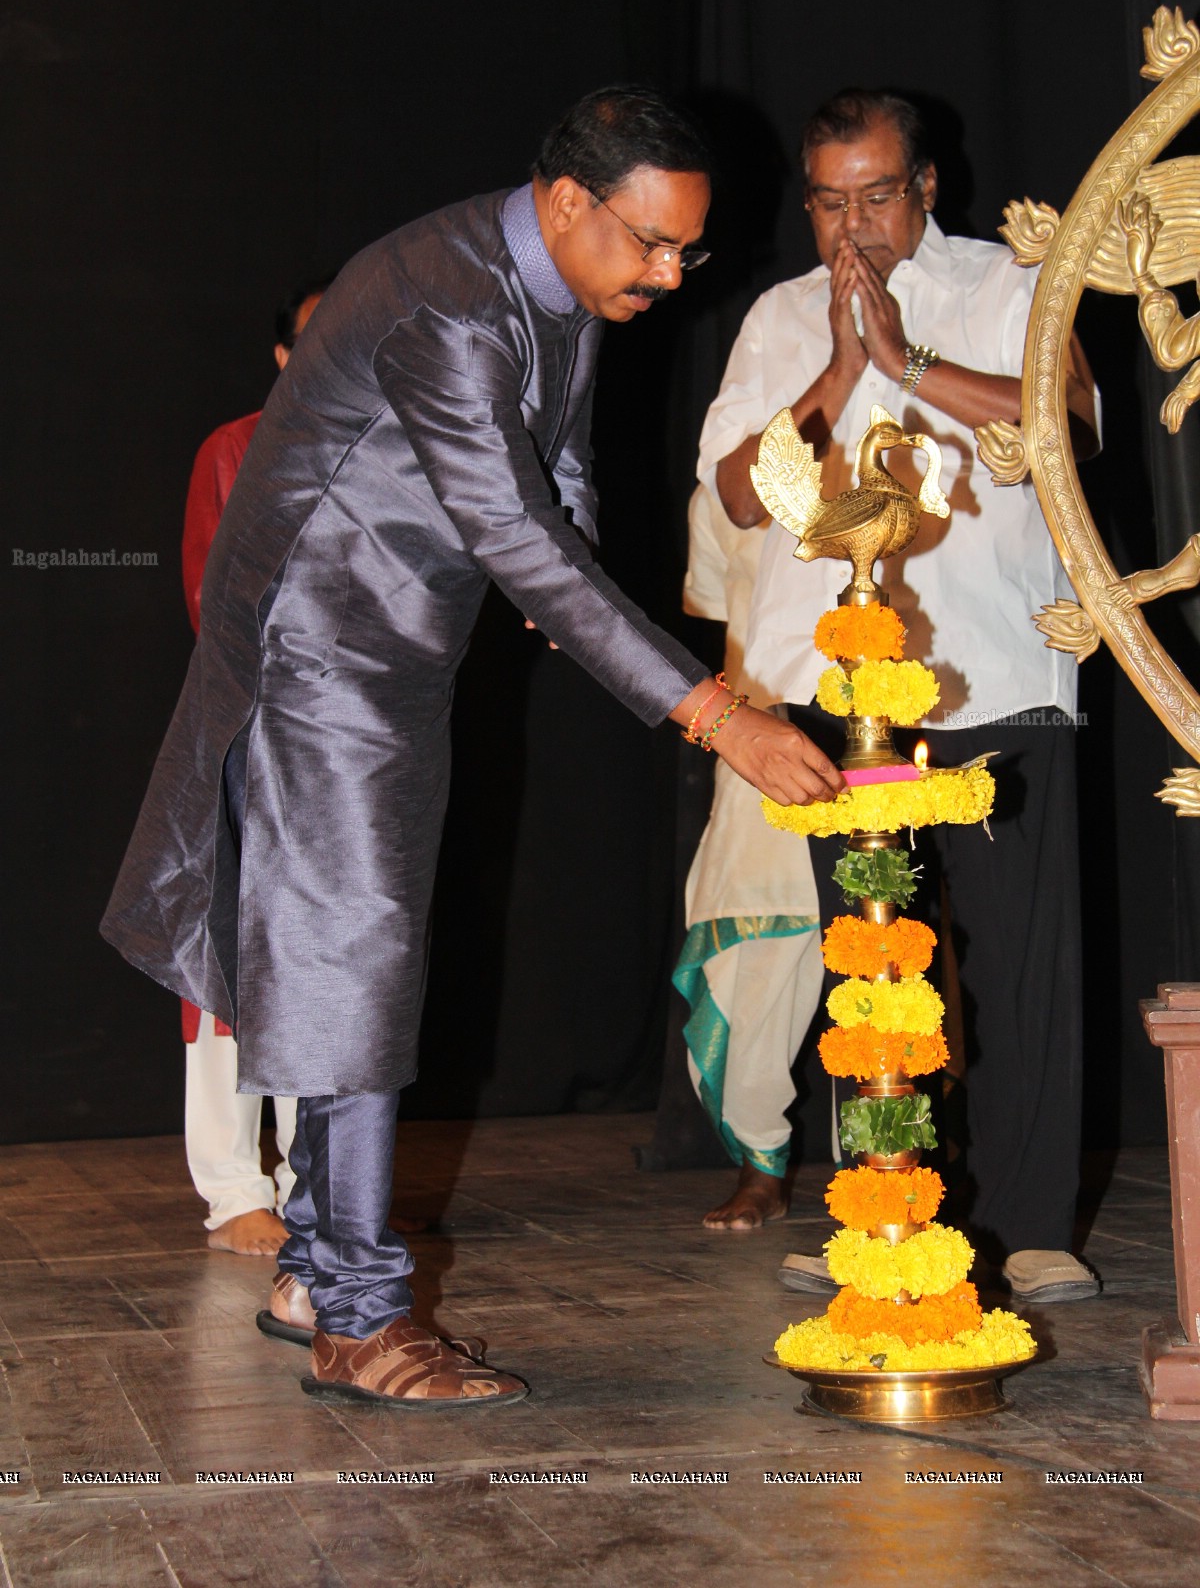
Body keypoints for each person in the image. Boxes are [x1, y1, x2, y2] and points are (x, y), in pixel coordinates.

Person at [102, 85, 843, 1409]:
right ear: (568, 203)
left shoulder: (565, 285)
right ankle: (362, 1322)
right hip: (315, 649)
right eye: (649, 245)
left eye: (691, 250)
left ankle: (318, 1273)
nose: (668, 277)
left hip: (391, 650)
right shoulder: (447, 298)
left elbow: (555, 476)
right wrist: (714, 711)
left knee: (371, 946)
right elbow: (509, 533)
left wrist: (582, 613)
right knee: (354, 951)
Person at [699, 88, 1101, 1303]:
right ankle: (882, 1218)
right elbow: (733, 493)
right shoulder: (776, 318)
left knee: (1017, 967)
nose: (852, 225)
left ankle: (1030, 1228)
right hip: (837, 684)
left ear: (928, 187)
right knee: (872, 962)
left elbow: (1067, 424)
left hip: (995, 671)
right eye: (829, 200)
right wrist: (835, 367)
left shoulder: (1010, 283)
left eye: (877, 196)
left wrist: (908, 363)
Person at [178, 280, 325, 1256]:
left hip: (353, 752)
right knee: (231, 960)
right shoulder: (234, 448)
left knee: (330, 970)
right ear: (282, 358)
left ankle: (316, 1183)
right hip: (254, 732)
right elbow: (214, 599)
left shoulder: (400, 448)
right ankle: (236, 1188)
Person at [672, 486, 826, 1230]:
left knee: (893, 941)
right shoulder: (722, 493)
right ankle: (762, 1159)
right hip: (757, 738)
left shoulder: (882, 456)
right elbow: (715, 606)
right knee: (751, 940)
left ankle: (913, 1166)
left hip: (883, 716)